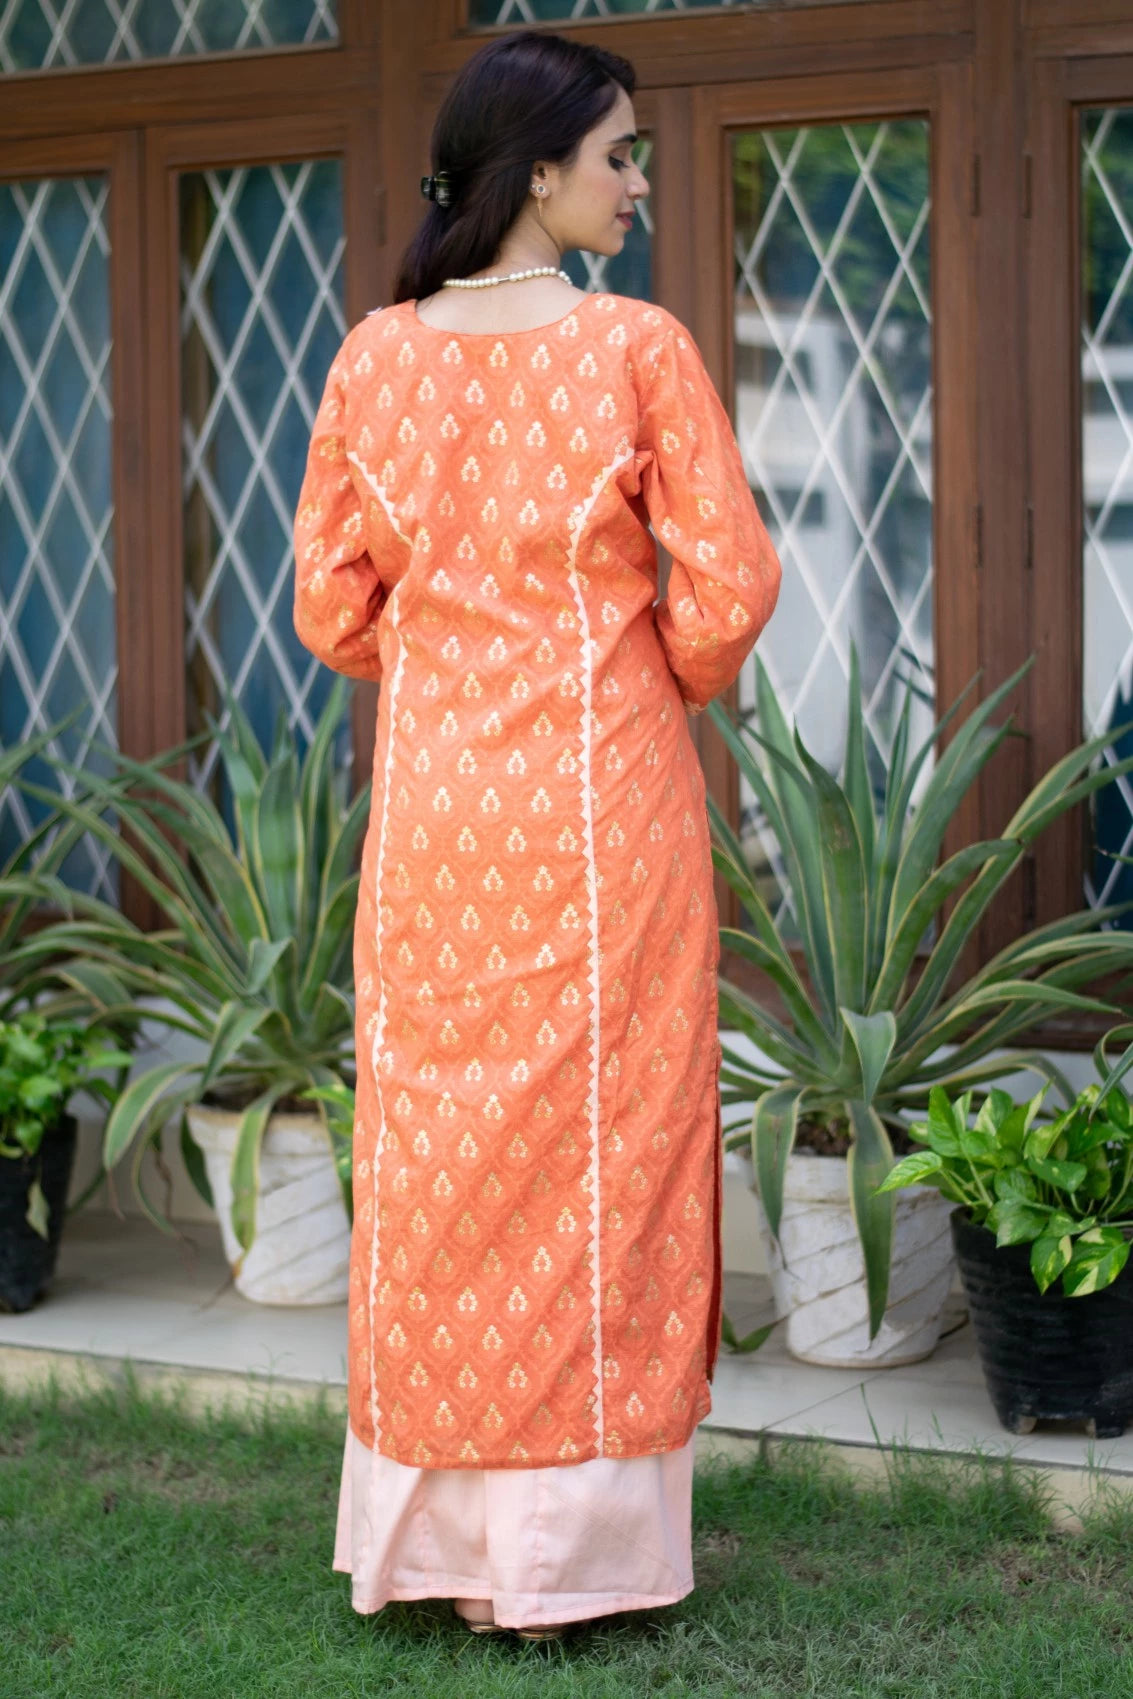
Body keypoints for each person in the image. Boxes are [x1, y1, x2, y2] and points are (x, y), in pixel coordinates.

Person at [292, 26, 781, 1642]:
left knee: (437, 1151)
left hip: (434, 811)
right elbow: (725, 598)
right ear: (539, 165)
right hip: (596, 802)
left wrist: (445, 666)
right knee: (603, 1149)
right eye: (620, 154)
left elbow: (329, 607)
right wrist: (630, 674)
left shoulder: (371, 358)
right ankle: (571, 1563)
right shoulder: (634, 349)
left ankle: (431, 1543)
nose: (637, 182)